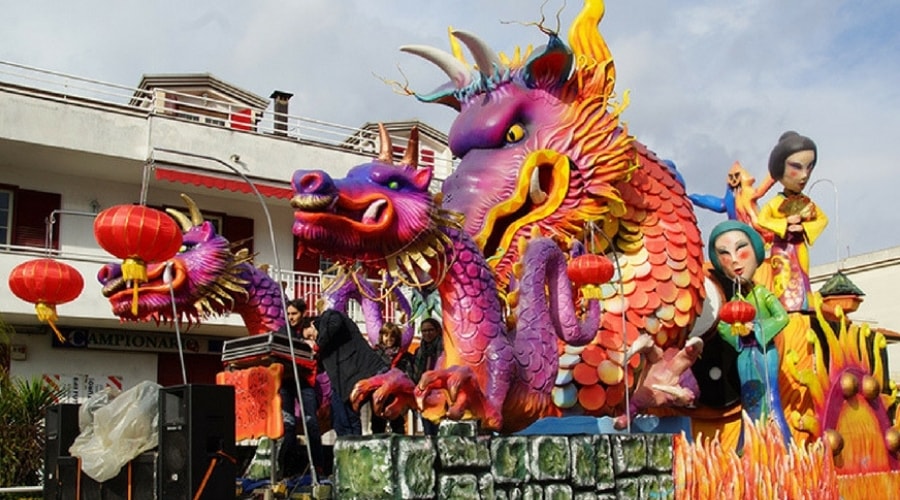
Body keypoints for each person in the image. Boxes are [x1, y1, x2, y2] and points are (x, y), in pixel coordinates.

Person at [708, 221, 791, 450]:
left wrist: (756, 328)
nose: (734, 260)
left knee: (770, 398)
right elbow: (723, 327)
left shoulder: (762, 294)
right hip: (744, 355)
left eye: (740, 249)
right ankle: (748, 449)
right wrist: (736, 333)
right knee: (750, 401)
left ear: (755, 253)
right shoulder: (734, 303)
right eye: (724, 254)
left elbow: (782, 317)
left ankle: (780, 446)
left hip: (765, 352)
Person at [756, 131, 828, 313]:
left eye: (809, 168)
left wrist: (803, 227)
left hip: (799, 247)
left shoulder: (807, 203)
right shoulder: (776, 203)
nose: (804, 175)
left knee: (803, 275)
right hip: (782, 249)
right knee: (784, 278)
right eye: (797, 168)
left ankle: (805, 302)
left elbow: (822, 219)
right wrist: (785, 223)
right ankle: (786, 305)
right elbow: (762, 219)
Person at [304, 309, 388, 436]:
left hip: (364, 373)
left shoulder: (330, 316)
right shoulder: (325, 347)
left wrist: (317, 345)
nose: (312, 339)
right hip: (346, 383)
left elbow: (334, 323)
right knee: (341, 420)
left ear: (312, 324)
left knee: (363, 419)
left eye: (310, 335)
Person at [276, 298, 324, 477]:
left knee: (311, 423)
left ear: (303, 313)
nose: (290, 317)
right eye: (288, 314)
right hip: (287, 383)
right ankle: (285, 468)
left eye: (294, 314)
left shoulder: (311, 328)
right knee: (288, 426)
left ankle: (317, 467)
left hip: (305, 382)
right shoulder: (283, 331)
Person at [370, 322, 414, 434]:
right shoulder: (375, 353)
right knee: (377, 424)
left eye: (392, 336)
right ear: (381, 337)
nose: (389, 339)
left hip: (396, 394)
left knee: (397, 424)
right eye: (386, 335)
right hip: (379, 393)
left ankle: (399, 448)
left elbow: (408, 374)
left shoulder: (403, 356)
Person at [412, 317, 444, 436]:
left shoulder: (444, 348)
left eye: (430, 330)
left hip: (440, 393)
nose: (427, 333)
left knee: (439, 430)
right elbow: (416, 373)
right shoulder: (419, 351)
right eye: (424, 331)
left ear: (437, 331)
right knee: (428, 432)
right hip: (424, 395)